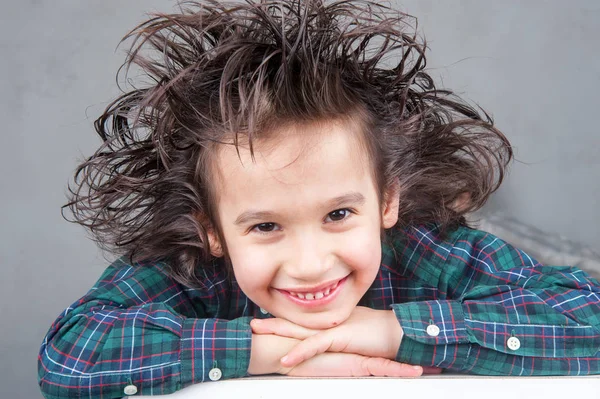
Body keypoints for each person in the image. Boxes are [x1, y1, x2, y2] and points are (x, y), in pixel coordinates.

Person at [37, 0, 600, 398]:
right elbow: (71, 355)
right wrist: (271, 351)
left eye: (338, 214)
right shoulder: (193, 267)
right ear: (212, 229)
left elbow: (588, 317)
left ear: (386, 201)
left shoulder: (426, 250)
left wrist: (390, 330)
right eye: (265, 227)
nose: (310, 265)